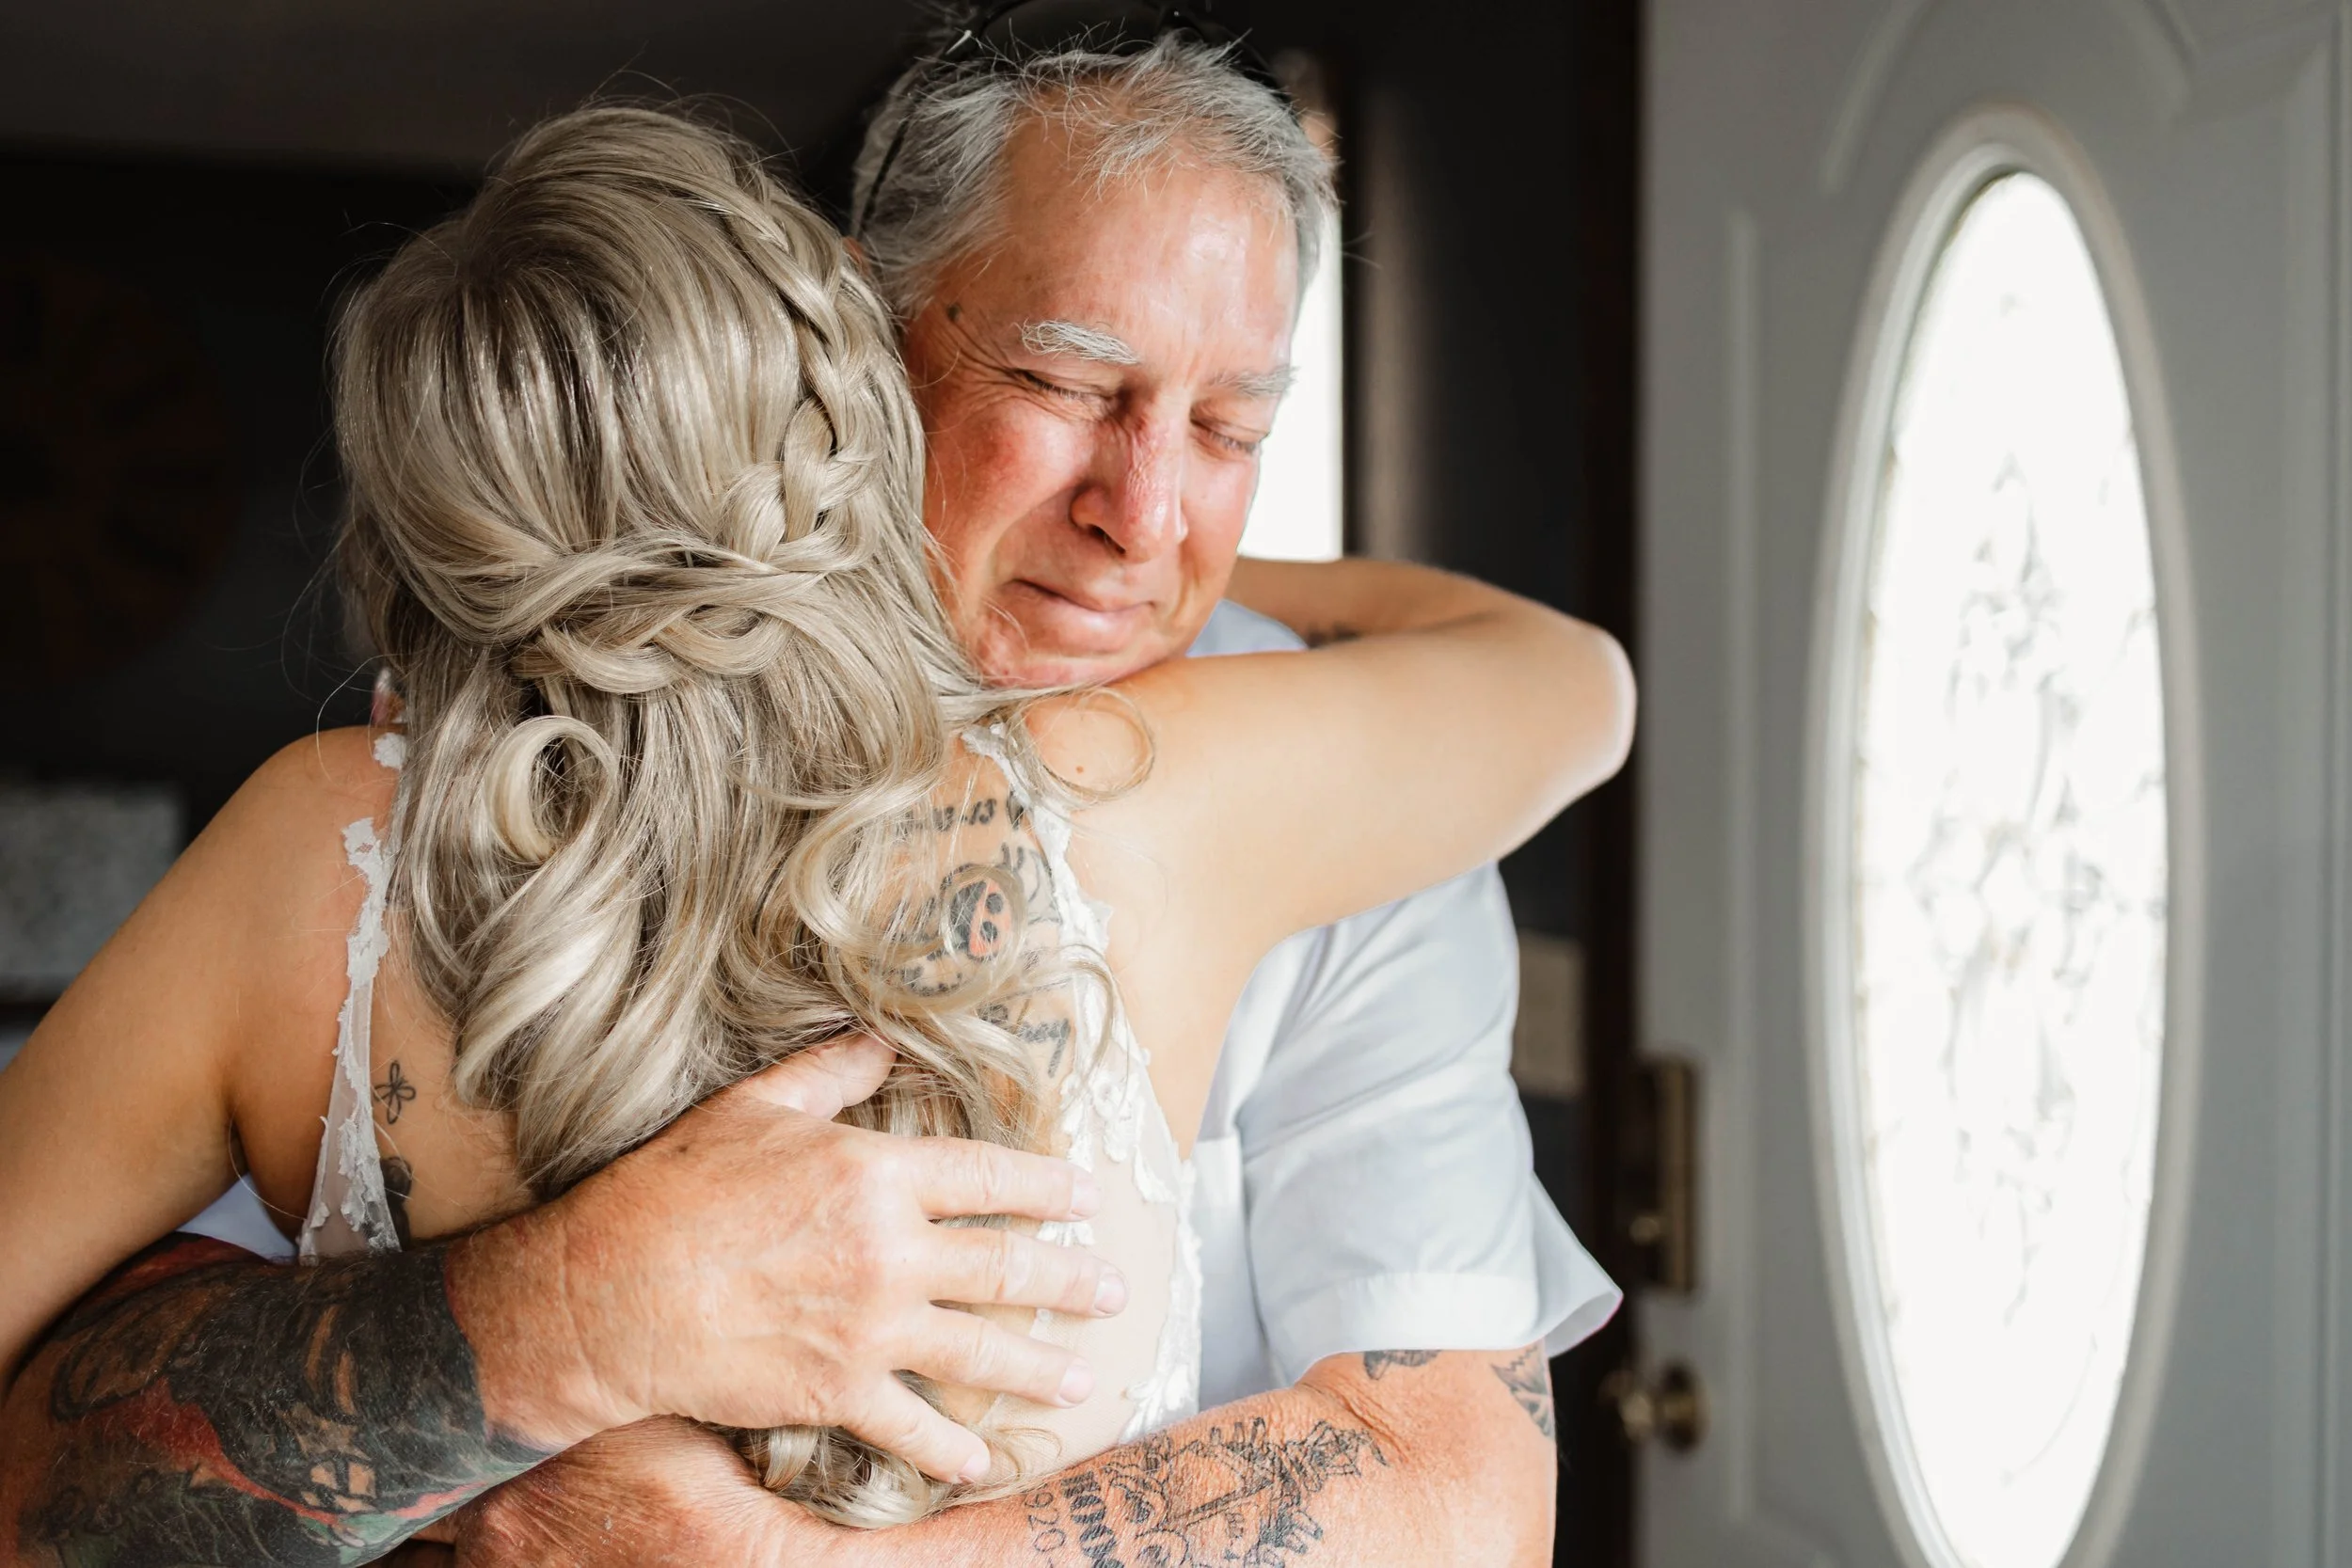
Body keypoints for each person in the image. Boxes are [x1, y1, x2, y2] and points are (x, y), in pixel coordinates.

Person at [0, 24, 1629, 1568]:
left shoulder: (327, 849)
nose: (1144, 514)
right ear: (859, 341)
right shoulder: (1188, 792)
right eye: (1068, 386)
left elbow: (1465, 1490)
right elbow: (1578, 689)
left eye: (1229, 426)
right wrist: (558, 1311)